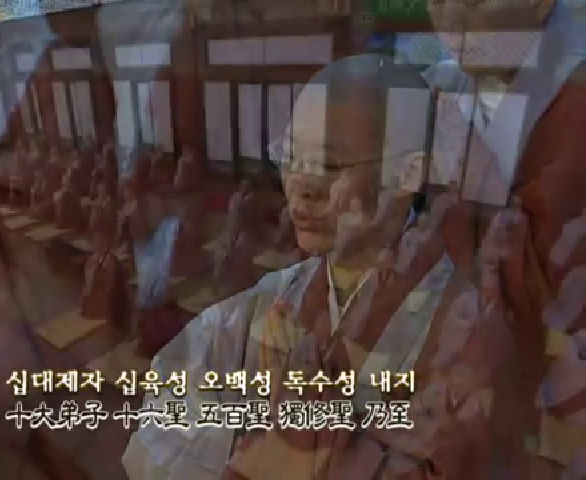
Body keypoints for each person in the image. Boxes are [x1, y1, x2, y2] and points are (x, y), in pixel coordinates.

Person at [122, 54, 525, 479]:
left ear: (407, 174)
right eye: (291, 157)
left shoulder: (470, 335)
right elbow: (162, 409)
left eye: (329, 166)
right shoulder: (274, 299)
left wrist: (294, 440)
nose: (301, 187)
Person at [425, 0, 586, 476]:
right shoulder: (444, 87)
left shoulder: (576, 103)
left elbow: (544, 272)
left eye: (472, 1)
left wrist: (471, 191)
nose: (451, 19)